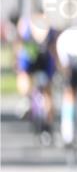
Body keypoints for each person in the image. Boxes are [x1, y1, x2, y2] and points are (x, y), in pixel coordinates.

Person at [14, 12, 58, 140]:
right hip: (35, 58)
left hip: (37, 58)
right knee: (27, 75)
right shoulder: (49, 25)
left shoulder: (26, 23)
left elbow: (18, 44)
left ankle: (26, 100)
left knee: (25, 74)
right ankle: (47, 124)